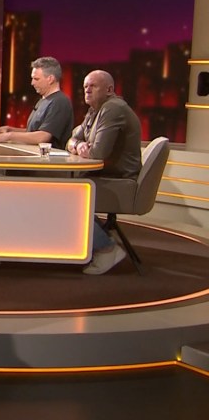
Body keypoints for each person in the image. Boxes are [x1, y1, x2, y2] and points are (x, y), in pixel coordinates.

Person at [67, 69, 142, 275]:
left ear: (109, 90)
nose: (87, 90)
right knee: (66, 188)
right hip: (105, 175)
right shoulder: (95, 110)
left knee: (67, 193)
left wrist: (81, 146)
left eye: (93, 86)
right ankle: (97, 241)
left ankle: (106, 248)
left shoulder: (113, 109)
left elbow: (97, 153)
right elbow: (72, 138)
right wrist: (77, 145)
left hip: (119, 180)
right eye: (85, 86)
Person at [0, 56, 74, 149]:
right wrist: (9, 130)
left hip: (49, 157)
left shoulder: (60, 102)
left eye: (36, 79)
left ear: (50, 79)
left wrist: (10, 136)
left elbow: (43, 137)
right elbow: (32, 132)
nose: (32, 83)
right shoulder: (43, 100)